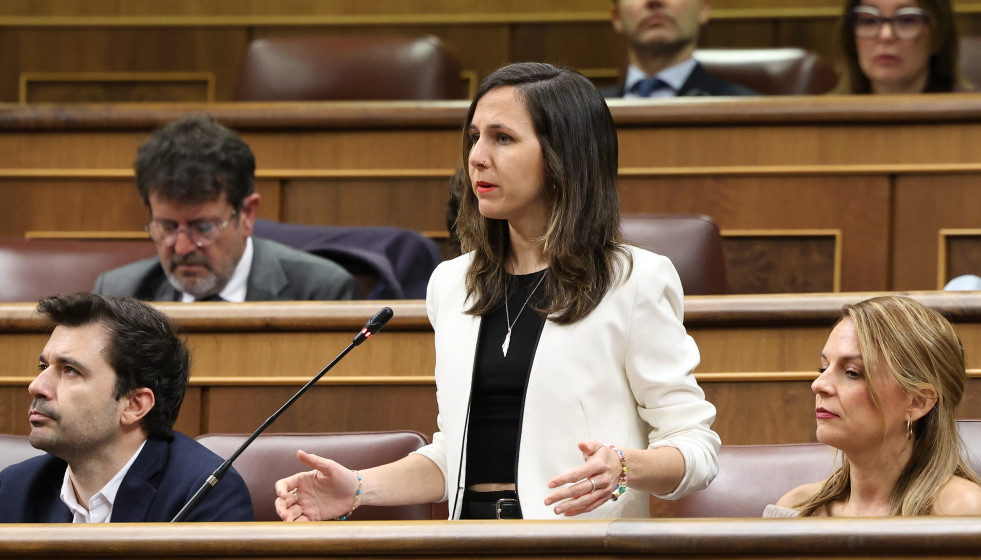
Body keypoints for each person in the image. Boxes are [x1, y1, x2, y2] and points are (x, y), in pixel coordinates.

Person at [274, 62, 720, 521]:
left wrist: (626, 466)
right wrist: (358, 487)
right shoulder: (452, 284)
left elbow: (695, 447)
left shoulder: (633, 280)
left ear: (562, 155)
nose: (477, 157)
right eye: (474, 138)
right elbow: (456, 457)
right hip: (468, 544)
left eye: (502, 138)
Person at [0, 292, 254, 522]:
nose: (36, 386)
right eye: (44, 368)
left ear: (134, 405)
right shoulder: (14, 489)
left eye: (69, 370)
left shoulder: (203, 494)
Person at [93, 113, 360, 302]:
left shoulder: (319, 293)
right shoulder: (119, 297)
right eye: (168, 227)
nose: (183, 248)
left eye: (203, 228)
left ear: (247, 215)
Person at [769, 295, 981, 517]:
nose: (818, 385)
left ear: (917, 402)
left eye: (852, 373)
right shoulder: (797, 508)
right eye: (824, 369)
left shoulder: (962, 509)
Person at [601, 0, 757, 98]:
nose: (655, 1)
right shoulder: (584, 112)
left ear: (703, 8)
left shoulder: (749, 108)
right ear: (616, 16)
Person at [834, 0, 962, 94]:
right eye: (869, 20)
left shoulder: (971, 115)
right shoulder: (823, 117)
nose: (885, 35)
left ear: (937, 36)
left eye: (907, 20)